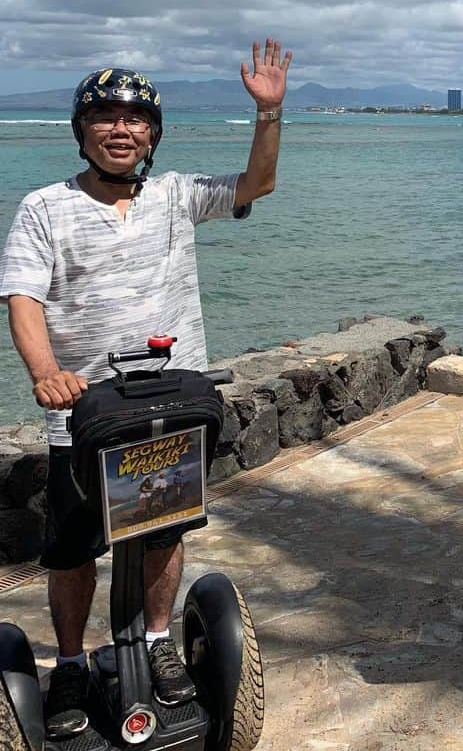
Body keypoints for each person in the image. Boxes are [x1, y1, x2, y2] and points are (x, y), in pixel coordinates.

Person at [0, 40, 291, 739]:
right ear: (82, 131)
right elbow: (22, 297)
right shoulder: (44, 208)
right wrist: (46, 373)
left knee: (163, 532)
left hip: (168, 405)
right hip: (84, 413)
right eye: (103, 117)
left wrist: (271, 113)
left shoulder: (175, 194)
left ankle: (159, 640)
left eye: (134, 118)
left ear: (152, 133)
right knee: (72, 549)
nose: (120, 129)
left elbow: (257, 183)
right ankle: (70, 660)